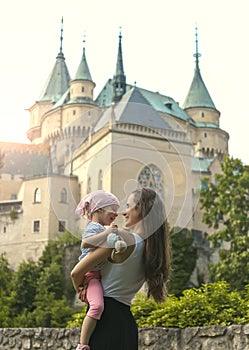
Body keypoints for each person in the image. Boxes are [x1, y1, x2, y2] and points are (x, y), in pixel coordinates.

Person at [71, 187, 171, 350]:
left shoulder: (121, 237)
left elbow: (76, 272)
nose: (123, 212)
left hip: (106, 322)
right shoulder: (152, 250)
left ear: (139, 208)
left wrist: (81, 290)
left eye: (128, 205)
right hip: (126, 326)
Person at [73, 190, 127, 350]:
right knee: (97, 306)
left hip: (95, 275)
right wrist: (108, 233)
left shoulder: (100, 227)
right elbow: (85, 243)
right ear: (99, 210)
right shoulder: (94, 227)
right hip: (90, 275)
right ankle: (82, 345)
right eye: (112, 211)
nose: (116, 215)